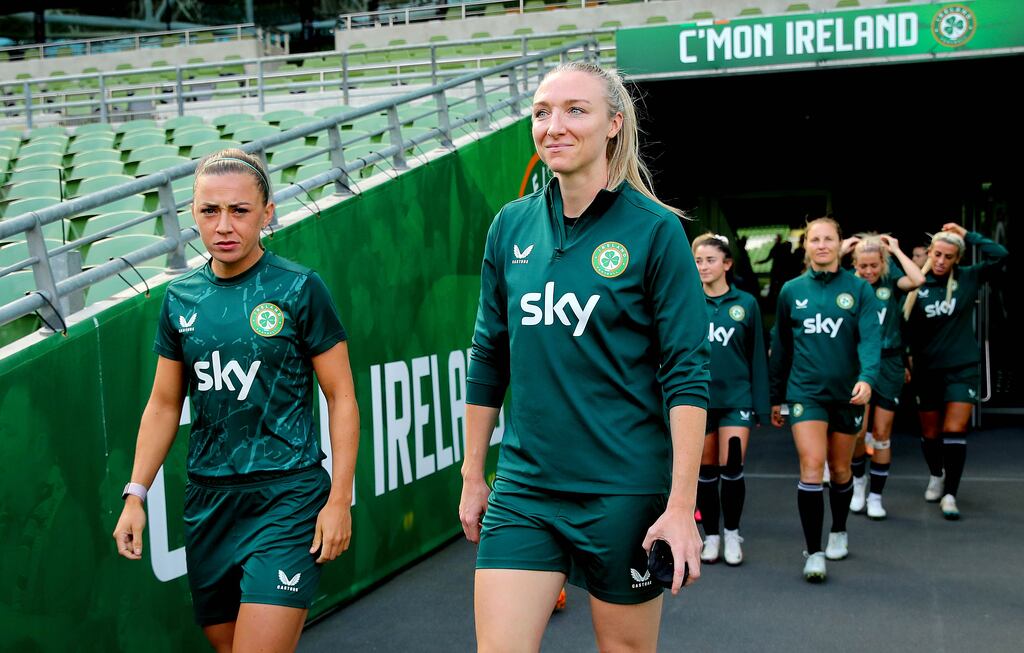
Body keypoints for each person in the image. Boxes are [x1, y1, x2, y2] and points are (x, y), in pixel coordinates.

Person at [458, 61, 710, 652]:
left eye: (576, 110)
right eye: (542, 112)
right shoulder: (510, 226)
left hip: (622, 490)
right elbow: (489, 356)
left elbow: (687, 374)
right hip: (526, 487)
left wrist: (680, 506)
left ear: (614, 124)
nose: (554, 125)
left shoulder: (655, 231)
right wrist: (474, 474)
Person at [112, 149, 359, 653]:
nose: (224, 225)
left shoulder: (299, 288)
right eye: (209, 211)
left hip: (287, 497)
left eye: (240, 211)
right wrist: (135, 495)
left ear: (267, 213)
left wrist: (339, 500)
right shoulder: (180, 298)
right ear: (192, 215)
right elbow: (163, 405)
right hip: (210, 504)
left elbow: (342, 396)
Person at [769, 217, 880, 583]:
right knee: (813, 467)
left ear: (840, 243)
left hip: (847, 394)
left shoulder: (859, 290)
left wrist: (867, 378)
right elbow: (781, 347)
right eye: (814, 239)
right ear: (806, 246)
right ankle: (813, 551)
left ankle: (839, 531)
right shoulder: (791, 291)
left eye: (828, 239)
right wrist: (775, 395)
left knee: (842, 469)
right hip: (805, 393)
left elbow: (870, 340)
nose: (821, 245)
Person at [903, 223, 1008, 519]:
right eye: (936, 254)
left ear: (956, 259)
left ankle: (950, 494)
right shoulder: (915, 284)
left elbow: (1001, 255)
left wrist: (968, 235)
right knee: (930, 432)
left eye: (948, 257)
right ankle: (937, 474)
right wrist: (904, 362)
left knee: (954, 429)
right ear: (929, 253)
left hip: (961, 368)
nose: (940, 261)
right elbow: (901, 329)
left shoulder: (968, 277)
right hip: (926, 369)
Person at [692, 233, 769, 566]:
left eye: (710, 260)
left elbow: (757, 359)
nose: (704, 266)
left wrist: (764, 406)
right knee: (705, 473)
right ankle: (711, 536)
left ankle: (733, 534)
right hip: (699, 400)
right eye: (698, 260)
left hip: (737, 398)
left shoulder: (746, 303)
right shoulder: (688, 300)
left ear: (727, 264)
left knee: (733, 468)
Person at [842, 234, 925, 519]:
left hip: (889, 361)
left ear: (882, 264)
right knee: (857, 432)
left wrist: (897, 250)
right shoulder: (848, 284)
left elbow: (917, 280)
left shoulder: (891, 282)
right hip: (858, 363)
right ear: (854, 264)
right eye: (862, 266)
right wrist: (842, 249)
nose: (868, 272)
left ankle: (876, 496)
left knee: (881, 432)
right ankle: (858, 486)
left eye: (874, 266)